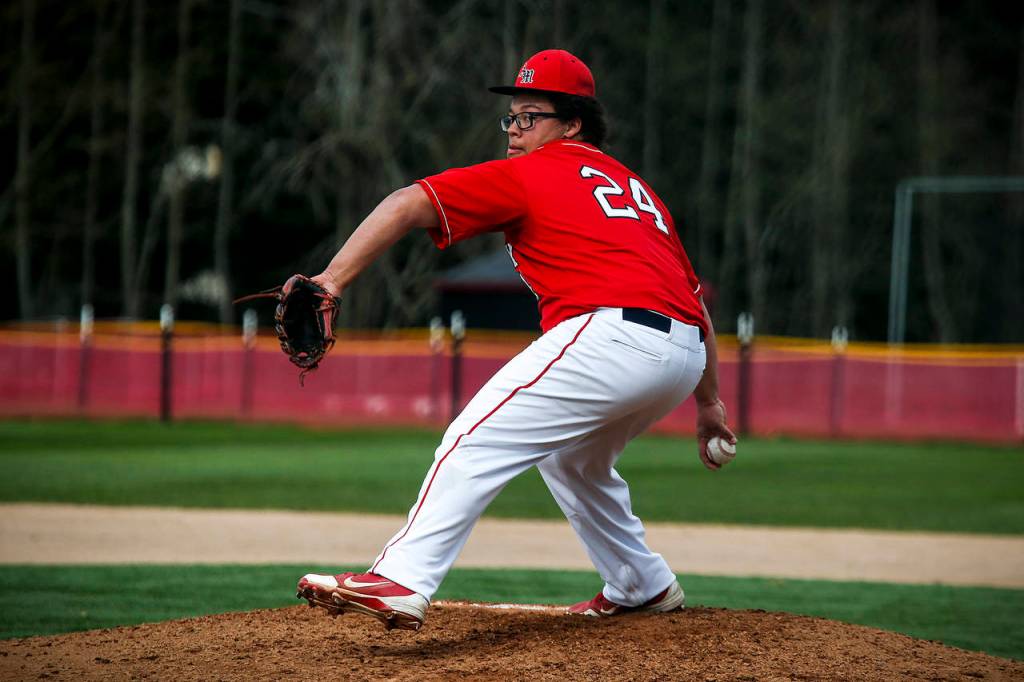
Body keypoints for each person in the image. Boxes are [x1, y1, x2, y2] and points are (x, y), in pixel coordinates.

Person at [296, 49, 736, 631]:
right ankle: (641, 583)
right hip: (681, 354)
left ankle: (402, 576)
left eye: (530, 116)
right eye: (511, 117)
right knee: (573, 459)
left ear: (572, 123)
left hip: (612, 334)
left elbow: (407, 204)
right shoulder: (638, 191)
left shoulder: (532, 173)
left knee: (473, 437)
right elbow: (695, 301)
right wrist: (707, 401)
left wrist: (331, 280)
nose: (514, 130)